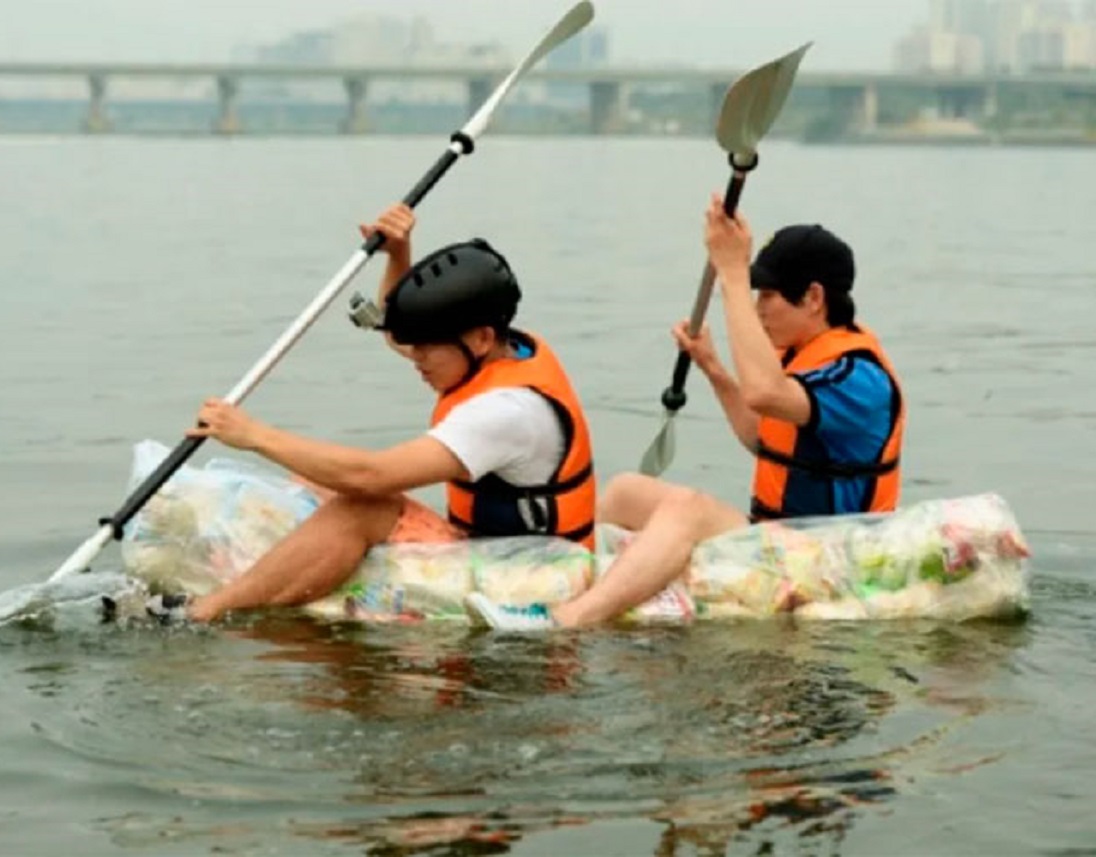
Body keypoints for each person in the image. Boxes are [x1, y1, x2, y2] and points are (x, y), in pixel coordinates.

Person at [466, 194, 905, 631]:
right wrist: (712, 367)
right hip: (782, 539)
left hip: (832, 557)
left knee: (688, 508)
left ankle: (567, 620)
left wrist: (732, 272)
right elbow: (763, 437)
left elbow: (765, 392)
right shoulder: (804, 355)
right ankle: (528, 575)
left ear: (813, 298)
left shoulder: (858, 377)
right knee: (624, 492)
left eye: (767, 295)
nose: (757, 308)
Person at [156, 203, 597, 624]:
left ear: (480, 339)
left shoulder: (506, 412)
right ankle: (272, 573)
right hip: (497, 544)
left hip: (535, 571)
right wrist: (397, 255)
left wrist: (255, 435)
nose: (413, 356)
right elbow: (400, 334)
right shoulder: (504, 348)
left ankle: (208, 609)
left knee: (361, 505)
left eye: (427, 348)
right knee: (315, 480)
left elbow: (374, 475)